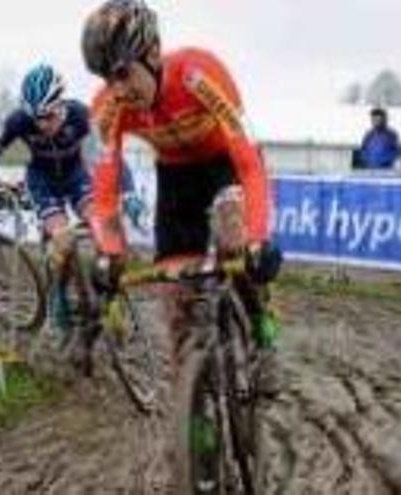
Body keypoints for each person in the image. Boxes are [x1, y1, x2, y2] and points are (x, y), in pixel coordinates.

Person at [81, 0, 283, 396]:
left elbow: (249, 161)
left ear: (153, 53)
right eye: (107, 78)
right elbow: (103, 191)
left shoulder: (198, 74)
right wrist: (110, 251)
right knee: (176, 296)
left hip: (224, 163)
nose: (118, 89)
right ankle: (193, 414)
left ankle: (263, 334)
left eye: (123, 73)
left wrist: (258, 239)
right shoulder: (107, 107)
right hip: (175, 176)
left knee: (233, 239)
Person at [0, 63, 144, 336]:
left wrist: (130, 191)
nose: (43, 125)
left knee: (108, 230)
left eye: (49, 116)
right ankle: (58, 295)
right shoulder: (19, 121)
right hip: (42, 182)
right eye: (36, 118)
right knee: (62, 239)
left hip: (76, 177)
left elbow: (110, 154)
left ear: (61, 104)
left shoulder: (80, 115)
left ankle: (109, 297)